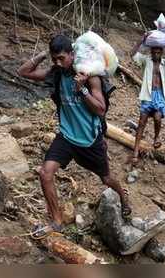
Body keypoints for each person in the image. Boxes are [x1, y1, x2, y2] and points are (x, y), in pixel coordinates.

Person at [17, 34, 131, 235]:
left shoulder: (89, 76)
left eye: (62, 58)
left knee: (106, 178)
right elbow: (23, 71)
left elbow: (101, 109)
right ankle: (57, 221)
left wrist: (82, 91)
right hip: (67, 136)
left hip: (89, 139)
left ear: (72, 54)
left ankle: (123, 196)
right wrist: (45, 54)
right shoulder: (57, 73)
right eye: (55, 59)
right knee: (45, 173)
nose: (58, 63)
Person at [130, 33, 165, 165]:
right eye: (154, 52)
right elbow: (132, 54)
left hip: (160, 96)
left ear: (162, 52)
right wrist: (141, 40)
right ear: (151, 52)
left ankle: (156, 137)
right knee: (141, 123)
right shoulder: (146, 60)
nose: (156, 54)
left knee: (157, 118)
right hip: (148, 95)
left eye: (158, 52)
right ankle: (135, 151)